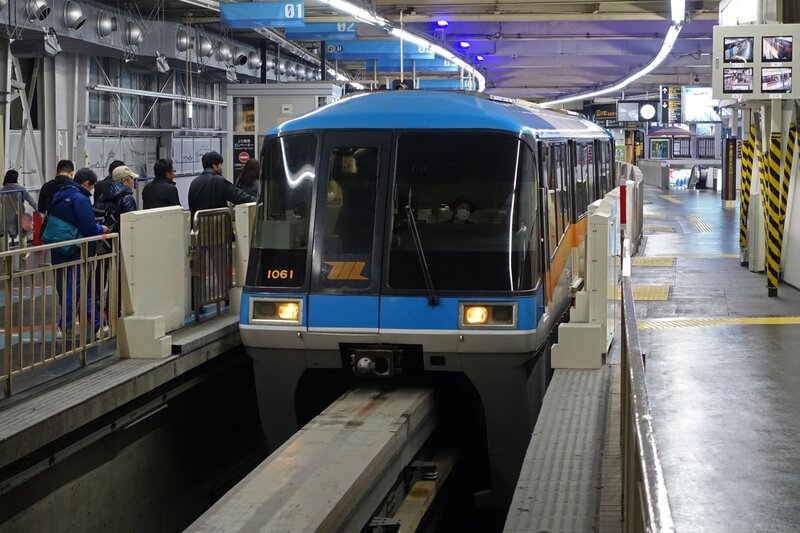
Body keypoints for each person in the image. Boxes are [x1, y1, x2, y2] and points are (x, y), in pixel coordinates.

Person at [49, 168, 108, 338]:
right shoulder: (80, 199)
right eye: (91, 187)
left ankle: (97, 324)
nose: (91, 191)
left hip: (59, 245)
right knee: (77, 287)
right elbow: (89, 228)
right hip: (77, 249)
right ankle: (64, 325)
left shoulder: (58, 195)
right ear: (86, 183)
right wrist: (101, 228)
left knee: (74, 287)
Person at [188, 151, 255, 218]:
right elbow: (239, 197)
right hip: (217, 225)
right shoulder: (219, 181)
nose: (221, 167)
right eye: (220, 164)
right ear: (214, 165)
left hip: (198, 225)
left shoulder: (194, 183)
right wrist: (257, 200)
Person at [1, 170, 38, 244]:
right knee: (22, 235)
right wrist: (38, 211)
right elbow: (31, 201)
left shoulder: (2, 191)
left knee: (5, 237)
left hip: (6, 218)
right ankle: (23, 254)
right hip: (19, 218)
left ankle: (7, 255)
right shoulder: (21, 189)